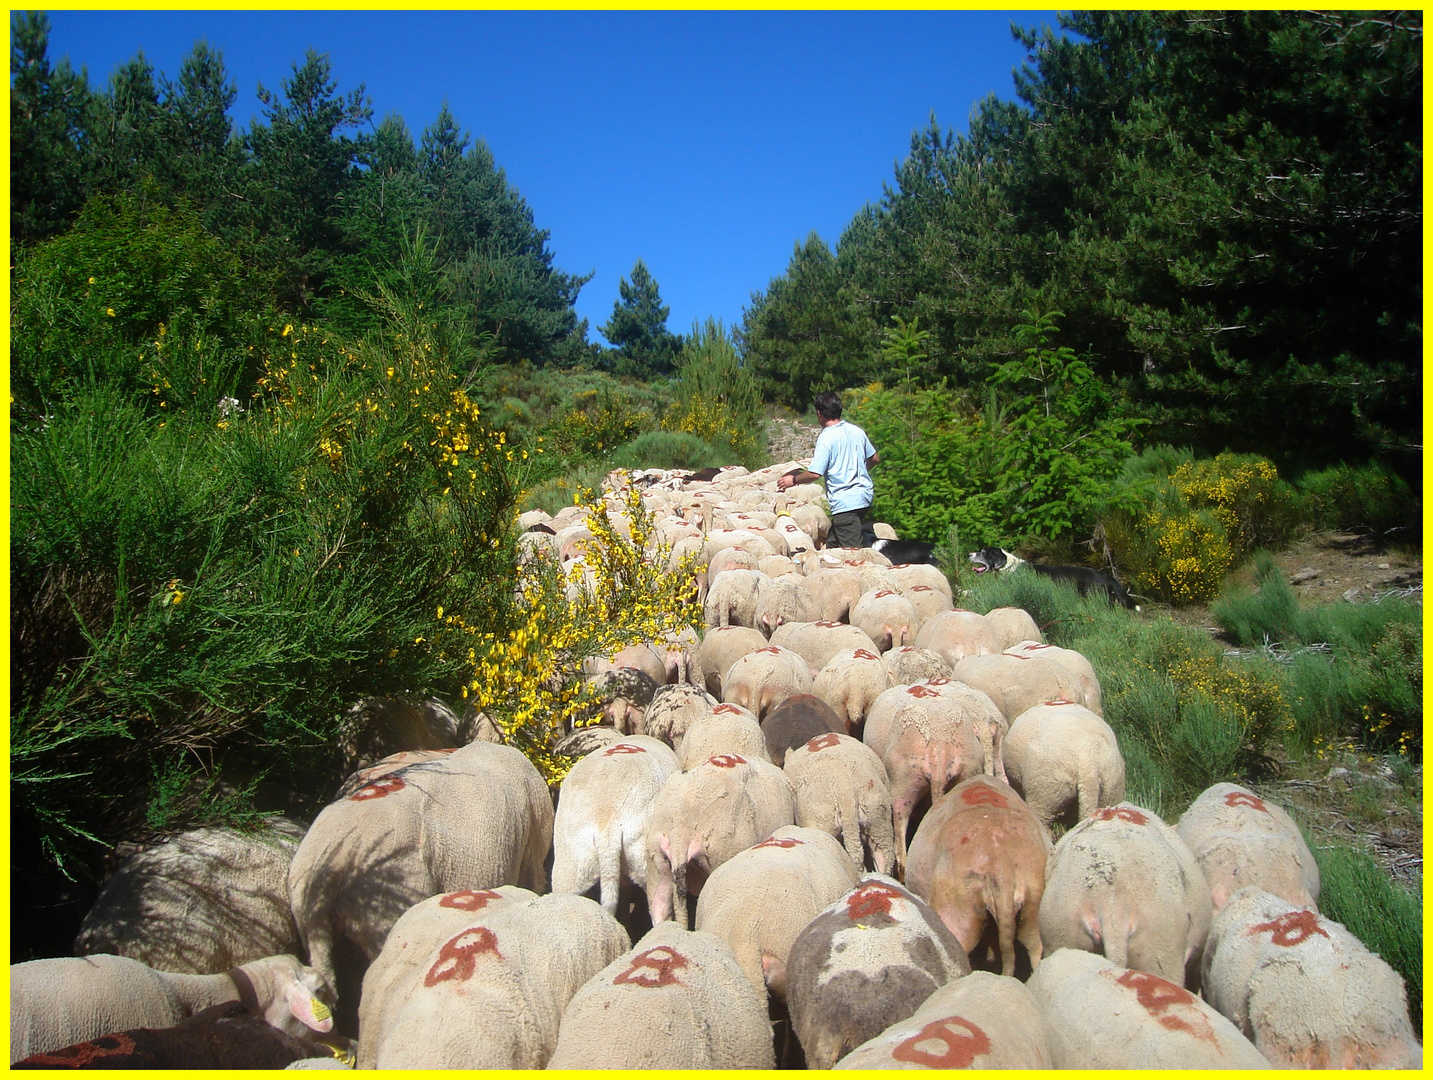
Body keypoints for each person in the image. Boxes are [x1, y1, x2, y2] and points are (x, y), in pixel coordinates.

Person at [777, 390, 879, 549]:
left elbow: (814, 473)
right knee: (832, 547)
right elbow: (874, 458)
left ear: (819, 414)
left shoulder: (827, 438)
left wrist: (794, 480)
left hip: (846, 504)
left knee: (852, 555)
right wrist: (858, 471)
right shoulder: (856, 431)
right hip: (864, 498)